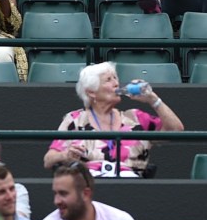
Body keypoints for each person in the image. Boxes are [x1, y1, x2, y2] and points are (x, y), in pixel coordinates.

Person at [46, 61, 182, 179]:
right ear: (91, 92)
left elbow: (176, 130)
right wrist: (65, 155)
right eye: (108, 80)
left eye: (115, 78)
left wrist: (153, 99)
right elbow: (48, 160)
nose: (116, 83)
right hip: (89, 185)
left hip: (132, 187)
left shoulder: (136, 117)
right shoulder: (75, 120)